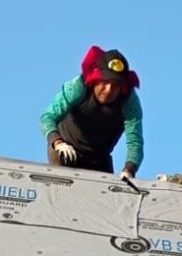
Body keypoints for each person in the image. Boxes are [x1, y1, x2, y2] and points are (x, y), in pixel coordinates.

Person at [40, 45, 144, 178]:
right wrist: (57, 142)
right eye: (105, 82)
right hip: (66, 150)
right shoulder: (78, 87)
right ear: (95, 79)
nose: (108, 90)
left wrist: (129, 169)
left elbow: (135, 141)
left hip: (99, 159)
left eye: (115, 85)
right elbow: (47, 117)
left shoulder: (129, 102)